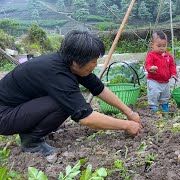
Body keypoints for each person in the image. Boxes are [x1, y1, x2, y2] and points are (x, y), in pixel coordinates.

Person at [0, 30, 143, 156]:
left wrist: (129, 113)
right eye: (93, 61)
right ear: (76, 61)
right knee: (63, 104)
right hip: (4, 116)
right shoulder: (57, 74)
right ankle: (32, 141)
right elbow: (86, 117)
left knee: (65, 102)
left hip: (17, 109)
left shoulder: (69, 63)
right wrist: (126, 125)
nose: (95, 65)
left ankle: (30, 131)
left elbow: (99, 88)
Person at [145, 31, 178, 112]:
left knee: (166, 95)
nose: (162, 48)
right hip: (154, 81)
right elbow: (147, 64)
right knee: (154, 94)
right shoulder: (151, 55)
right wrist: (151, 68)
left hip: (165, 81)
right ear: (152, 45)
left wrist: (173, 74)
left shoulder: (168, 56)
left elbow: (172, 65)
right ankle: (153, 108)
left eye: (164, 45)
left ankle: (165, 106)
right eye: (159, 46)